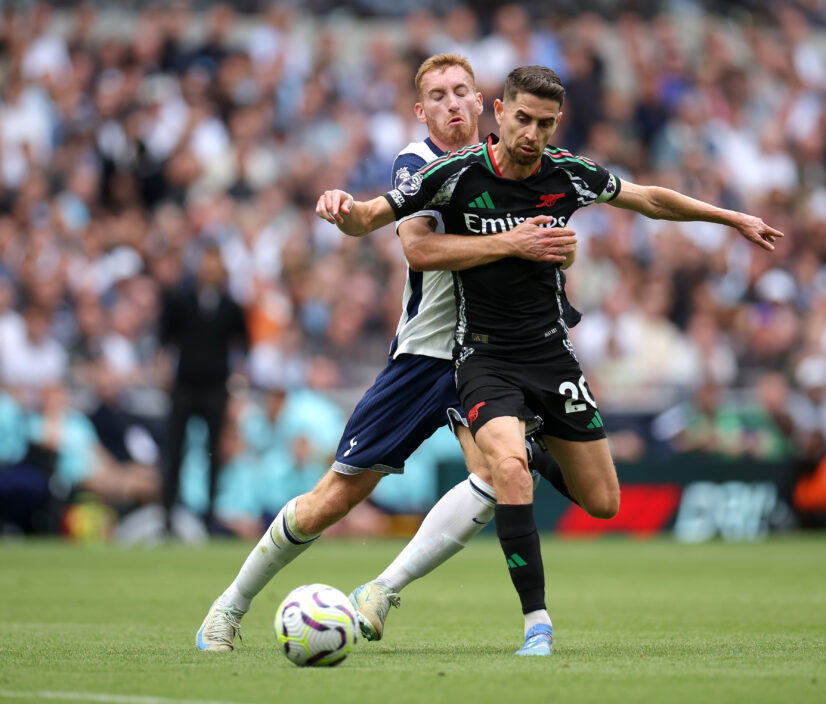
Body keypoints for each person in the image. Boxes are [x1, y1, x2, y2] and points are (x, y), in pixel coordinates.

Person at [316, 65, 783, 655]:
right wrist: (341, 206)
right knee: (504, 471)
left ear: (555, 122)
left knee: (603, 502)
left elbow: (648, 200)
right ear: (501, 112)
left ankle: (533, 450)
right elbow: (374, 217)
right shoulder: (453, 174)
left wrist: (729, 217)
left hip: (551, 357)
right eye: (523, 119)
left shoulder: (568, 174)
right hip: (482, 356)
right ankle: (537, 622)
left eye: (544, 122)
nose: (532, 133)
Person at [195, 54, 581, 655]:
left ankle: (383, 587)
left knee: (497, 472)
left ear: (484, 104)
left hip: (492, 354)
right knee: (335, 498)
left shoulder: (519, 163)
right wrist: (353, 213)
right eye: (437, 94)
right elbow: (419, 248)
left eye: (462, 91)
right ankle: (229, 606)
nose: (452, 102)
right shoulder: (418, 162)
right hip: (426, 355)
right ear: (420, 110)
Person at [160, 244, 249, 534]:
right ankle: (167, 516)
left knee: (214, 453)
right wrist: (163, 373)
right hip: (184, 386)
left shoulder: (230, 306)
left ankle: (209, 517)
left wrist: (236, 384)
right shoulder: (181, 301)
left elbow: (243, 345)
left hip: (214, 388)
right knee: (174, 451)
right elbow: (165, 340)